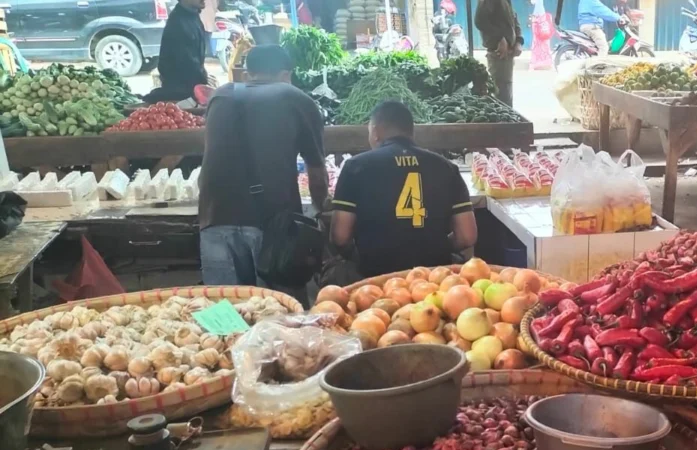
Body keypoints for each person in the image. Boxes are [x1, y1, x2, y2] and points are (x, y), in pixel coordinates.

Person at [198, 45, 329, 303]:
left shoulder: (220, 96)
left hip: (214, 216)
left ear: (248, 74)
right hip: (270, 221)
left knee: (225, 310)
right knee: (277, 310)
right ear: (285, 74)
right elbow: (316, 171)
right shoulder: (294, 97)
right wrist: (319, 210)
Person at [330, 101, 478, 278]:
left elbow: (340, 236)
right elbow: (467, 236)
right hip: (433, 277)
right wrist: (439, 247)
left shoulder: (356, 167)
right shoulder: (446, 167)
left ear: (376, 132)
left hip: (375, 276)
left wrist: (359, 254)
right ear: (410, 131)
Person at [145, 0, 210, 103]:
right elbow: (186, 63)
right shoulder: (178, 23)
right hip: (181, 93)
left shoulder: (193, 15)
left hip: (193, 89)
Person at [476, 0, 522, 106]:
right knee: (502, 98)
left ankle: (507, 121)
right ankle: (504, 122)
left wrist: (519, 41)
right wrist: (500, 38)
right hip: (498, 54)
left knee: (506, 95)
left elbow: (514, 20)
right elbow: (480, 20)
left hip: (509, 55)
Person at [529, 0, 555, 69]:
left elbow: (532, 2)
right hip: (541, 18)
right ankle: (546, 62)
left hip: (538, 19)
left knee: (537, 43)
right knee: (544, 43)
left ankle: (535, 63)